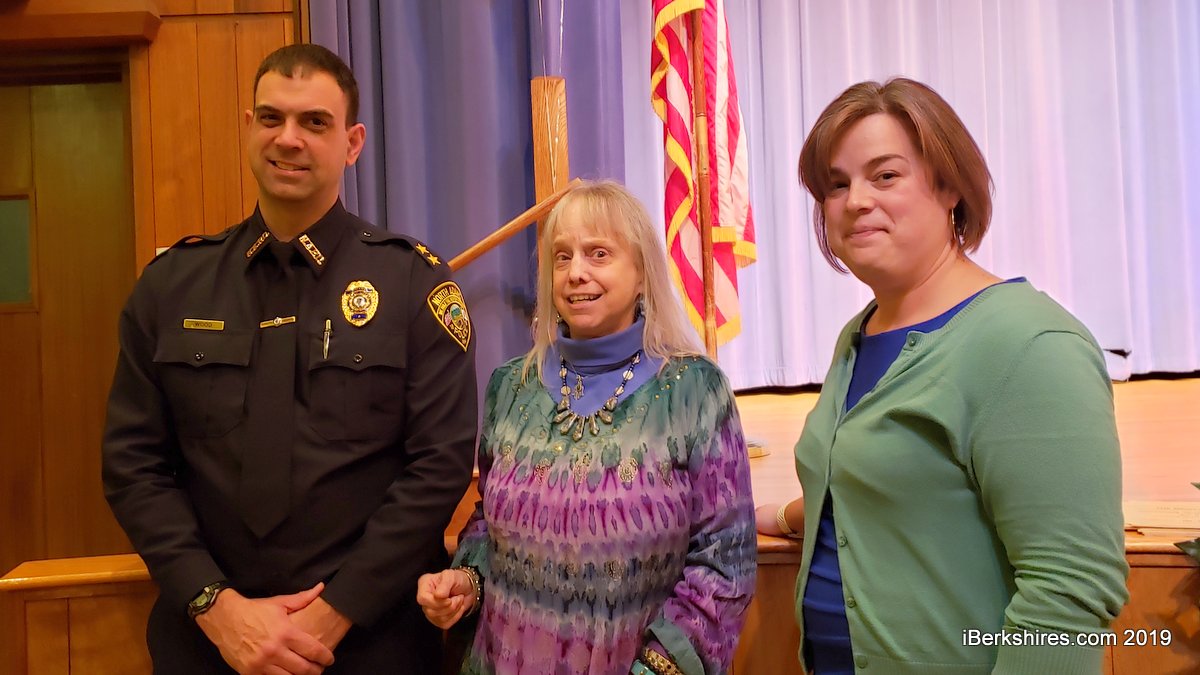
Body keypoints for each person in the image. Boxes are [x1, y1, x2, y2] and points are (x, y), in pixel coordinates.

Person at [102, 44, 477, 674]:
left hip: (370, 645)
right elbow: (133, 465)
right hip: (209, 645)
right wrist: (217, 609)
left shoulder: (415, 284)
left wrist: (333, 614)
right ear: (249, 127)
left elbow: (438, 467)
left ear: (353, 143)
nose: (288, 139)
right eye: (272, 118)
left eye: (315, 122)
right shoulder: (172, 287)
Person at [758, 78, 1129, 674]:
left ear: (950, 186)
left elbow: (1069, 594)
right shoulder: (859, 334)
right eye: (837, 184)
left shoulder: (1029, 345)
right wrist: (777, 518)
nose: (856, 200)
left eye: (885, 175)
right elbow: (884, 487)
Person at [416, 180, 757, 675]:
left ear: (641, 273)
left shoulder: (695, 391)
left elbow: (724, 565)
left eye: (598, 253)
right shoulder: (511, 385)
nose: (576, 272)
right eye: (562, 257)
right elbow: (488, 522)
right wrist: (466, 581)